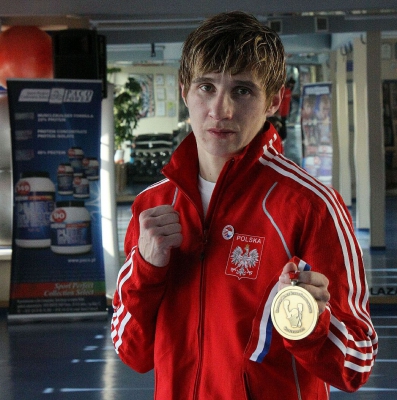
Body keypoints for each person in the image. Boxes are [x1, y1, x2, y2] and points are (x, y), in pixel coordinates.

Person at [111, 11, 377, 400]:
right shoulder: (152, 207)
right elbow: (132, 353)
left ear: (273, 100)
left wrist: (311, 322)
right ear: (185, 91)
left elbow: (359, 361)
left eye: (242, 90)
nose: (221, 110)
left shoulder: (311, 206)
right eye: (206, 87)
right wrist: (146, 270)